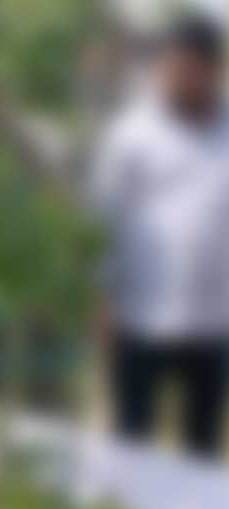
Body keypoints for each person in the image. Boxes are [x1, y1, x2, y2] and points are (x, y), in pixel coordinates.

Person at [92, 15, 227, 454]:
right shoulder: (134, 133)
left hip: (213, 320)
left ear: (212, 68)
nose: (181, 77)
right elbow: (105, 221)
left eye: (192, 67)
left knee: (201, 440)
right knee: (135, 434)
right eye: (173, 67)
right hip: (140, 316)